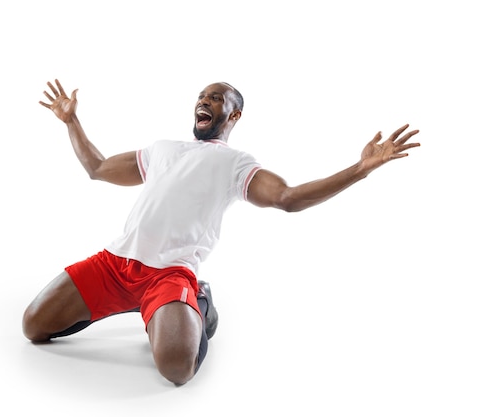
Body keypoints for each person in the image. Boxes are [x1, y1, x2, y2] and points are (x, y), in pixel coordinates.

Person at [22, 79, 420, 386]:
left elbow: (288, 197)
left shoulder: (236, 165)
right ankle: (135, 305)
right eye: (202, 96)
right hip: (115, 264)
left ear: (234, 115)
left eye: (216, 98)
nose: (204, 101)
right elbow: (97, 168)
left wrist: (359, 169)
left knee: (176, 370)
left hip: (169, 275)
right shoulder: (163, 149)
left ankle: (197, 301)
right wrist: (71, 120)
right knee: (34, 327)